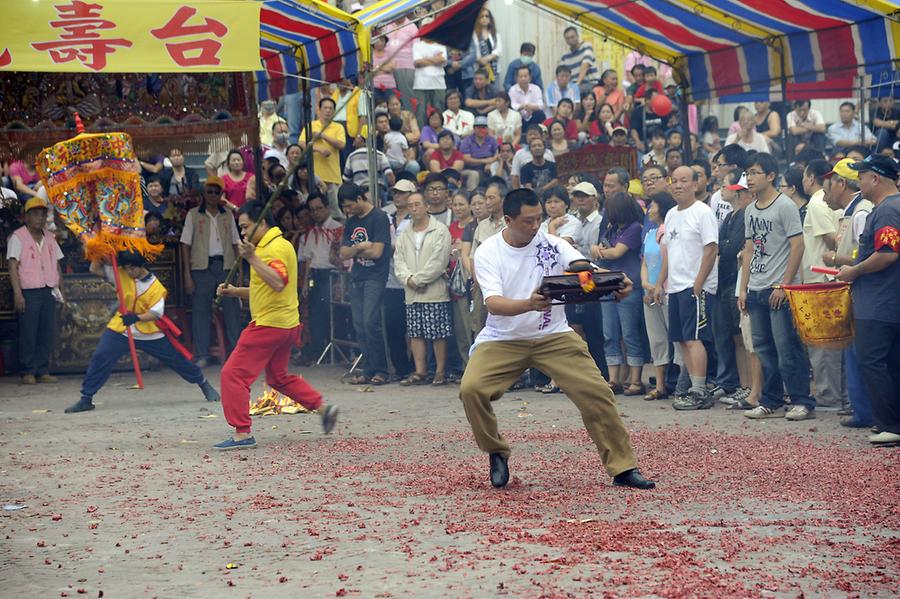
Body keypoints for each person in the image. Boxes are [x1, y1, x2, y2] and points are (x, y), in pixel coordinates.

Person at [459, 187, 655, 490]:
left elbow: (582, 269)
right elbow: (494, 304)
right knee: (471, 390)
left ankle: (623, 467)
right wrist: (529, 304)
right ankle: (496, 450)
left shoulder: (551, 243)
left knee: (597, 393)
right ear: (507, 220)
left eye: (538, 218)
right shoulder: (487, 252)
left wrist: (613, 282)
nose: (535, 225)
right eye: (527, 221)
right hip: (502, 338)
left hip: (554, 336)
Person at [214, 202, 337, 448]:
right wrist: (235, 291)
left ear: (263, 223)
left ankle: (242, 432)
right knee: (278, 377)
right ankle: (323, 408)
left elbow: (277, 282)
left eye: (246, 227)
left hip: (269, 324)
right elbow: (266, 288)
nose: (244, 234)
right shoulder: (277, 245)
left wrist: (252, 258)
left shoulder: (271, 249)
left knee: (233, 374)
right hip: (285, 324)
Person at [65, 250, 220, 413]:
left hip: (149, 331)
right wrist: (99, 250)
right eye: (127, 268)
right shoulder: (122, 274)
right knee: (100, 357)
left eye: (132, 268)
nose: (129, 272)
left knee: (176, 359)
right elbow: (94, 269)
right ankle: (86, 398)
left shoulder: (155, 286)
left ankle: (203, 383)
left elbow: (156, 313)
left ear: (141, 266)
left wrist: (136, 318)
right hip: (121, 328)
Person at [738, 153, 814, 421]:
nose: (749, 178)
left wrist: (784, 284)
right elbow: (748, 251)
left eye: (755, 173)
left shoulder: (785, 206)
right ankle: (771, 400)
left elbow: (798, 245)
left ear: (771, 176)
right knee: (764, 349)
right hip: (756, 286)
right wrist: (743, 288)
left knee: (786, 348)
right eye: (747, 173)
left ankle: (802, 400)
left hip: (778, 288)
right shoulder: (749, 209)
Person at [836, 155, 900, 445]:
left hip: (880, 301)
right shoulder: (886, 208)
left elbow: (888, 254)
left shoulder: (887, 210)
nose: (857, 182)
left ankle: (890, 423)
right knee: (888, 361)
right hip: (884, 299)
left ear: (875, 178)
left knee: (872, 360)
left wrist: (854, 271)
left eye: (861, 176)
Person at [654, 166, 719, 410]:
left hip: (695, 286)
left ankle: (700, 391)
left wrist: (699, 283)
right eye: (675, 181)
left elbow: (711, 248)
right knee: (681, 339)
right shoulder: (670, 214)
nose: (678, 185)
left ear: (695, 184)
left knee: (694, 338)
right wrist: (661, 282)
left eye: (684, 181)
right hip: (676, 287)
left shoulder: (703, 212)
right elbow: (669, 252)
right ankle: (693, 387)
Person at [821, 159, 874, 428]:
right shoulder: (850, 211)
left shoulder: (862, 212)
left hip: (862, 291)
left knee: (861, 353)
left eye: (829, 182)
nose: (825, 189)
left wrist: (836, 259)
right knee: (853, 353)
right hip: (851, 290)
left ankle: (868, 411)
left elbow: (868, 255)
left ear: (842, 183)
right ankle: (861, 408)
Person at [180, 177, 242, 368]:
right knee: (201, 311)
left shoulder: (228, 215)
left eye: (217, 192)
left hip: (225, 265)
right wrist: (187, 275)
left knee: (232, 309)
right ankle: (202, 355)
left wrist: (239, 270)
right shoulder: (193, 215)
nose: (214, 196)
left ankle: (237, 354)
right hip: (201, 267)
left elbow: (236, 243)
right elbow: (185, 245)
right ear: (204, 194)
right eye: (210, 192)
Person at [800, 159, 846, 410]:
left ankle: (829, 396)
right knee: (834, 342)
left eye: (805, 175)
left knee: (822, 344)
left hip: (821, 279)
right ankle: (839, 395)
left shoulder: (817, 203)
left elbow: (832, 241)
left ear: (811, 177)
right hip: (829, 278)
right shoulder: (831, 202)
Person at [393, 191, 453, 386]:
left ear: (427, 206)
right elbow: (398, 260)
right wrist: (408, 279)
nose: (413, 208)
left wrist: (419, 280)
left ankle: (440, 371)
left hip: (434, 290)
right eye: (410, 205)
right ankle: (420, 371)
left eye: (417, 204)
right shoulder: (404, 233)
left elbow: (439, 261)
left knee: (437, 334)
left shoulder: (440, 230)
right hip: (411, 292)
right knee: (416, 333)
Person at [338, 183, 392, 385]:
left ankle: (381, 370)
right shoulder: (351, 221)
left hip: (375, 276)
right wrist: (361, 247)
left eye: (350, 205)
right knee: (360, 325)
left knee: (371, 322)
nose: (347, 210)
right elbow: (343, 253)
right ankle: (368, 369)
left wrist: (355, 250)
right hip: (358, 275)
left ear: (360, 199)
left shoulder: (379, 217)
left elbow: (377, 252)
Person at [594, 192, 646, 396]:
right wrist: (599, 250)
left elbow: (616, 253)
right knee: (610, 334)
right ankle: (613, 378)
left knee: (630, 334)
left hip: (628, 285)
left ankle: (635, 379)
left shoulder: (634, 228)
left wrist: (599, 251)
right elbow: (599, 250)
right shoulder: (612, 230)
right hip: (607, 284)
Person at [7, 197, 64, 385]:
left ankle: (42, 369)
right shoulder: (18, 237)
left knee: (46, 331)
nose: (40, 218)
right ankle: (28, 371)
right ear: (27, 217)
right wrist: (18, 293)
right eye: (35, 215)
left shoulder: (49, 237)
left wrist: (61, 289)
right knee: (29, 332)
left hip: (48, 289)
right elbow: (13, 266)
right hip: (29, 291)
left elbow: (57, 264)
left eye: (42, 214)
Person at [640, 192, 678, 401]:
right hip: (650, 291)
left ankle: (681, 382)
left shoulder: (668, 231)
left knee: (676, 339)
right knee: (657, 339)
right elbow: (645, 262)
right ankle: (661, 384)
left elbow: (668, 261)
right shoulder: (650, 233)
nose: (649, 210)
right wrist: (646, 284)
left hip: (667, 291)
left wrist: (657, 286)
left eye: (652, 206)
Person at [299, 191, 343, 362]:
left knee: (331, 314)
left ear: (327, 208)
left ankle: (334, 354)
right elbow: (309, 258)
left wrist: (339, 282)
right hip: (315, 275)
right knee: (315, 315)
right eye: (312, 210)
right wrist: (304, 284)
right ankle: (318, 352)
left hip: (331, 274)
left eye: (319, 208)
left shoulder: (337, 229)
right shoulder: (311, 232)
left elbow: (341, 259)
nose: (316, 212)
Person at [383, 181, 416, 381]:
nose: (398, 197)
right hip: (390, 279)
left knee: (414, 327)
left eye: (402, 193)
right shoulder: (387, 216)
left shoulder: (416, 218)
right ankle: (401, 368)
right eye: (395, 193)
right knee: (394, 326)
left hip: (411, 279)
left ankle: (417, 367)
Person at [469, 179, 508, 334]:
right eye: (486, 198)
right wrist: (477, 279)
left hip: (506, 285)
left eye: (491, 198)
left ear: (503, 199)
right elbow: (473, 256)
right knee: (480, 328)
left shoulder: (511, 223)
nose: (487, 202)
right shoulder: (482, 225)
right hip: (482, 286)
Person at [299, 97, 346, 192]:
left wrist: (323, 135)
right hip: (314, 177)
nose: (328, 111)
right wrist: (318, 149)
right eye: (325, 108)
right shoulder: (310, 126)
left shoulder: (338, 127)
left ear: (334, 111)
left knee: (334, 206)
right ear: (319, 110)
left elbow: (341, 145)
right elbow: (301, 144)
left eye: (330, 108)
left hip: (333, 176)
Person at [412, 25, 447, 125]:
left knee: (439, 111)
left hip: (438, 83)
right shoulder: (417, 45)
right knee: (420, 112)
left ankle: (439, 135)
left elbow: (442, 60)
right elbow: (417, 62)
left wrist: (425, 59)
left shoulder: (441, 44)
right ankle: (422, 136)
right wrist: (435, 59)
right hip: (420, 84)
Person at [558, 27, 599, 96]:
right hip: (573, 85)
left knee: (574, 93)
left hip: (590, 83)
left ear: (577, 36)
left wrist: (577, 84)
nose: (570, 40)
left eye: (572, 37)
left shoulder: (586, 46)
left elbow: (585, 66)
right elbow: (562, 74)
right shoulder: (564, 56)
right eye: (567, 38)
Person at [460, 115, 499, 187]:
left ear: (487, 129)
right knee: (474, 174)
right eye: (478, 127)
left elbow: (498, 153)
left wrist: (490, 163)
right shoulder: (467, 140)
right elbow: (466, 159)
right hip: (470, 168)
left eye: (483, 127)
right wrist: (484, 161)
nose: (481, 130)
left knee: (495, 167)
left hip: (487, 168)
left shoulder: (492, 140)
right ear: (474, 128)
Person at [508, 65, 546, 130]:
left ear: (530, 77)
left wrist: (531, 107)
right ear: (516, 78)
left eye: (525, 76)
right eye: (521, 76)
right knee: (514, 115)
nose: (523, 79)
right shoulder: (512, 90)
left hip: (533, 115)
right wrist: (523, 106)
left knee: (540, 114)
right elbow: (512, 105)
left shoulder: (536, 88)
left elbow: (541, 105)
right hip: (519, 117)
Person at [472, 6, 502, 85]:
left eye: (487, 16)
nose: (484, 18)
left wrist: (486, 59)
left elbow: (498, 51)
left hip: (494, 71)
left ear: (490, 19)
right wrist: (481, 60)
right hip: (479, 71)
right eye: (482, 16)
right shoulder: (474, 35)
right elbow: (474, 53)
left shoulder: (495, 34)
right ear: (478, 19)